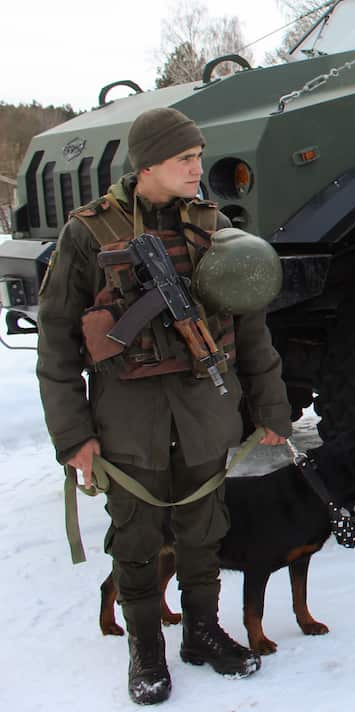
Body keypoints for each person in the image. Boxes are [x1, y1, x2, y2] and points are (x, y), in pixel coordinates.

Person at [36, 107, 293, 705]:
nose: (197, 168)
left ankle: (202, 632)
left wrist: (272, 408)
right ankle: (145, 647)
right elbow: (55, 342)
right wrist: (74, 436)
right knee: (136, 538)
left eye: (199, 157)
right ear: (146, 164)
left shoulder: (213, 226)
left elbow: (250, 326)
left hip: (204, 410)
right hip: (128, 419)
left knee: (205, 531)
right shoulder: (87, 233)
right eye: (185, 159)